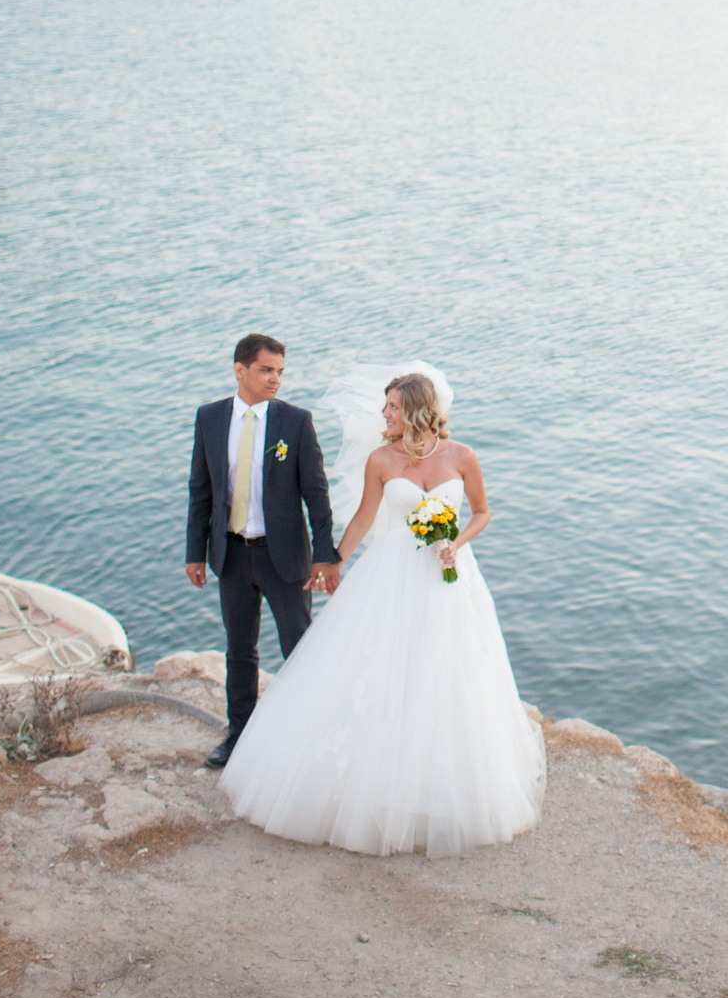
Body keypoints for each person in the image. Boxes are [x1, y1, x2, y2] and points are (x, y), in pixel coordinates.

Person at [219, 368, 545, 856]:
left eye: (392, 407)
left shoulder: (462, 456)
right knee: (381, 667)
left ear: (416, 409)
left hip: (449, 578)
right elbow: (365, 517)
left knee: (451, 669)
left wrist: (454, 542)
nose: (385, 415)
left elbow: (481, 512)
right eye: (385, 406)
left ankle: (439, 779)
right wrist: (331, 561)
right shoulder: (380, 460)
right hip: (391, 574)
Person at [184, 333, 340, 770]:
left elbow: (317, 495)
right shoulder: (210, 418)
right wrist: (195, 552)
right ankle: (239, 737)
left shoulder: (296, 422)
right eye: (266, 370)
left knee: (301, 649)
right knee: (240, 651)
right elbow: (201, 489)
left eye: (280, 372)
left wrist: (325, 557)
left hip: (285, 557)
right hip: (231, 554)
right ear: (241, 370)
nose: (276, 379)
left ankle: (313, 735)